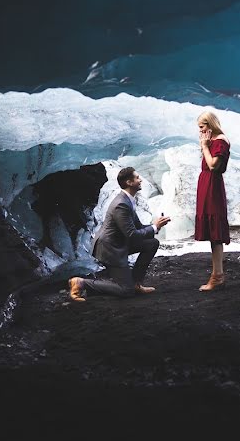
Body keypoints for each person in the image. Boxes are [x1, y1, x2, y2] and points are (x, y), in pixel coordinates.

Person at [69, 167, 171, 302]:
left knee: (152, 243)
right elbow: (132, 235)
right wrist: (154, 227)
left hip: (118, 244)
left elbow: (138, 228)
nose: (140, 180)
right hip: (110, 249)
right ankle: (81, 283)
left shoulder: (128, 200)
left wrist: (156, 226)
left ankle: (136, 284)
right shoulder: (121, 204)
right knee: (125, 291)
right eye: (137, 177)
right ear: (129, 182)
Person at [195, 110, 231, 291]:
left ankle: (217, 276)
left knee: (215, 232)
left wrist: (204, 146)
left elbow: (213, 165)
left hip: (212, 186)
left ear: (210, 125)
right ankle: (218, 274)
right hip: (207, 184)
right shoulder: (213, 141)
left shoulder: (220, 141)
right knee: (212, 232)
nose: (200, 131)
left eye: (202, 127)